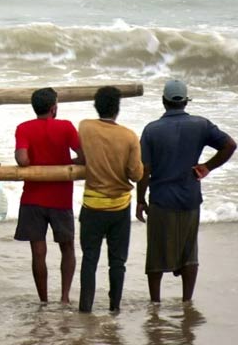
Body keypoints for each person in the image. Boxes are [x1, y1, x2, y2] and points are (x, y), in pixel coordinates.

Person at [136, 80, 237, 303]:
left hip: (161, 200)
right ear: (185, 102)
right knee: (189, 252)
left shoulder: (152, 130)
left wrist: (140, 199)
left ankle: (155, 302)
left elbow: (145, 169)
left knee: (156, 253)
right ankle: (186, 301)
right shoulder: (201, 125)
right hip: (190, 197)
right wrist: (207, 166)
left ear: (164, 102)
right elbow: (230, 145)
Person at [14, 87, 84, 304]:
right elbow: (84, 156)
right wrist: (67, 164)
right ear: (54, 108)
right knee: (67, 247)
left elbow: (23, 160)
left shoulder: (23, 128)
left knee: (38, 252)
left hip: (32, 197)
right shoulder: (65, 127)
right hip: (60, 198)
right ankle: (64, 297)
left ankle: (43, 300)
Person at [77, 86, 143, 313]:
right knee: (117, 262)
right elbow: (136, 174)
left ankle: (85, 308)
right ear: (118, 109)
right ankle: (114, 308)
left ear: (96, 106)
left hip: (92, 205)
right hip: (119, 207)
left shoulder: (85, 127)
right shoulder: (129, 136)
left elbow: (83, 155)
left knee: (89, 260)